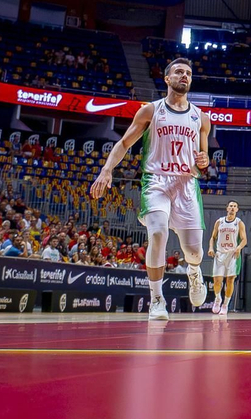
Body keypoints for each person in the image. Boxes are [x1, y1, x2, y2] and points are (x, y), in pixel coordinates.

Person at [90, 57, 210, 322]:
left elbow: (203, 159)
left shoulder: (201, 117)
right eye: (179, 72)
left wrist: (204, 160)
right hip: (156, 180)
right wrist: (106, 170)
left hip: (187, 185)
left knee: (194, 253)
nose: (184, 76)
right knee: (157, 232)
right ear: (167, 79)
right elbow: (123, 143)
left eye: (188, 73)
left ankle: (194, 271)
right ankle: (156, 298)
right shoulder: (150, 111)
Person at [210, 201, 247, 316]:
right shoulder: (219, 221)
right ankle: (217, 299)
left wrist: (239, 247)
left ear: (237, 209)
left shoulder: (239, 223)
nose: (232, 208)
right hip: (220, 253)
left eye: (235, 206)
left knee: (230, 280)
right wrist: (211, 248)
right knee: (217, 280)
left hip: (232, 254)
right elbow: (213, 237)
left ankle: (225, 305)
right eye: (230, 206)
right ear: (227, 208)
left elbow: (244, 239)